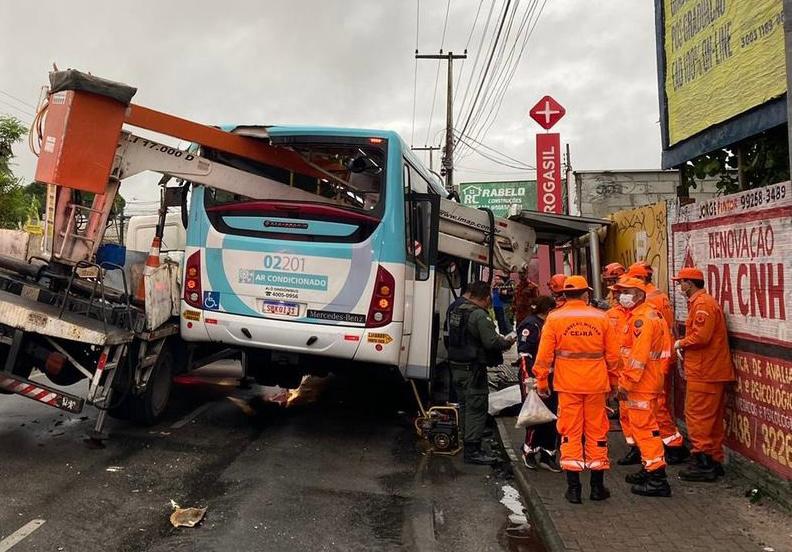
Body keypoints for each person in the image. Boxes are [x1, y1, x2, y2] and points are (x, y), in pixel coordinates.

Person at [533, 276, 621, 504]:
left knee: (570, 433)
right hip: (596, 385)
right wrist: (614, 383)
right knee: (596, 433)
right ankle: (597, 487)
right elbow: (613, 356)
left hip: (567, 385)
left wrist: (542, 381)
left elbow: (544, 356)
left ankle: (573, 490)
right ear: (585, 294)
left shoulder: (554, 318)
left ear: (563, 295)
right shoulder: (601, 318)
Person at [610, 278, 673, 497]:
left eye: (625, 292)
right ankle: (649, 469)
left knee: (645, 430)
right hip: (648, 381)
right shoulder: (648, 315)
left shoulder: (642, 320)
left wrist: (625, 383)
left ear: (638, 295)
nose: (621, 296)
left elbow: (638, 357)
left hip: (640, 384)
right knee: (646, 428)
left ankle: (657, 477)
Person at [672, 267, 735, 481]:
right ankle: (713, 461)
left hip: (705, 372)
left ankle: (703, 463)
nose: (679, 286)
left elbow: (701, 336)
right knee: (711, 420)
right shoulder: (703, 303)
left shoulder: (702, 304)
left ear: (689, 283)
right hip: (709, 371)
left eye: (681, 282)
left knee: (697, 417)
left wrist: (680, 343)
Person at [447, 280, 516, 465]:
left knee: (464, 405)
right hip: (473, 369)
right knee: (476, 407)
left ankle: (465, 436)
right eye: (489, 300)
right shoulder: (478, 315)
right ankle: (472, 449)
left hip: (456, 365)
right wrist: (507, 342)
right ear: (485, 298)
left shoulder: (456, 309)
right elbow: (491, 342)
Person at [626, 261, 689, 464]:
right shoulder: (659, 296)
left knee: (657, 408)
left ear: (641, 281)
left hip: (653, 364)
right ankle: (666, 446)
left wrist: (628, 380)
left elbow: (645, 343)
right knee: (657, 408)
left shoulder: (647, 304)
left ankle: (672, 446)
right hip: (660, 359)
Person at [516, 295, 560, 472]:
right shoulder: (531, 325)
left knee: (551, 417)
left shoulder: (548, 324)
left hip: (552, 377)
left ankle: (548, 454)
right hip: (535, 377)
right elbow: (525, 355)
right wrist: (529, 379)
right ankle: (529, 452)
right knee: (535, 416)